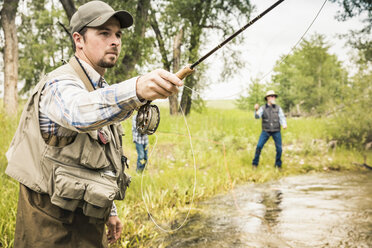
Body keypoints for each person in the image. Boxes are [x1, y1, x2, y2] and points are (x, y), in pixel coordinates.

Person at [5, 1, 183, 247]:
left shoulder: (103, 92)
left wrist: (111, 211)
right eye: (104, 33)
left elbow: (102, 157)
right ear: (79, 40)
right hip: (50, 228)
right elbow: (78, 112)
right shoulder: (58, 84)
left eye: (118, 34)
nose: (115, 41)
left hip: (90, 223)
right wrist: (138, 88)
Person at [252, 90, 287, 169]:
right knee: (259, 146)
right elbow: (257, 117)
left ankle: (278, 165)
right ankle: (255, 164)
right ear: (267, 98)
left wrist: (284, 124)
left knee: (279, 149)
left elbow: (282, 117)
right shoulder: (262, 108)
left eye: (274, 96)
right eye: (271, 96)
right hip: (266, 131)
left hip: (276, 131)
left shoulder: (278, 108)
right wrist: (256, 110)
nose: (273, 98)